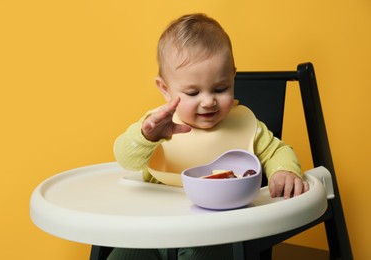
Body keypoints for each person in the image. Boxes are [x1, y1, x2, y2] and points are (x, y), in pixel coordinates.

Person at [109, 13, 309, 260]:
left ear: (232, 77)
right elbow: (126, 158)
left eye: (220, 88)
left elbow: (277, 150)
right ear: (165, 88)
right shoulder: (157, 125)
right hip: (154, 227)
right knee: (122, 254)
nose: (208, 101)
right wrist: (146, 137)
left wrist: (284, 171)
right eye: (192, 92)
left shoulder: (244, 124)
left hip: (217, 232)